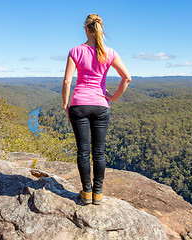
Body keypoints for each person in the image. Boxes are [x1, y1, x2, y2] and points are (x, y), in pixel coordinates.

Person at [62, 14, 131, 205]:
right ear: (99, 28)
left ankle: (86, 193)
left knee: (83, 152)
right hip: (101, 105)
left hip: (79, 104)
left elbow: (68, 81)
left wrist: (65, 104)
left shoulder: (75, 51)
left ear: (85, 28)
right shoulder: (109, 52)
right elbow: (127, 78)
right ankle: (98, 194)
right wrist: (112, 98)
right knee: (99, 152)